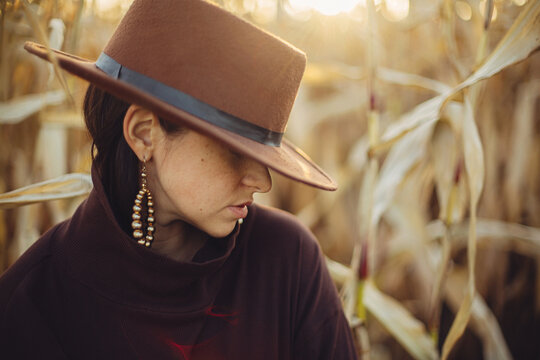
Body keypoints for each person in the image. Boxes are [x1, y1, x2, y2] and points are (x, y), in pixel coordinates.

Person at [0, 0, 357, 358]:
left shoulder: (286, 261)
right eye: (235, 151)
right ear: (143, 135)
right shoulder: (30, 308)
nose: (263, 182)